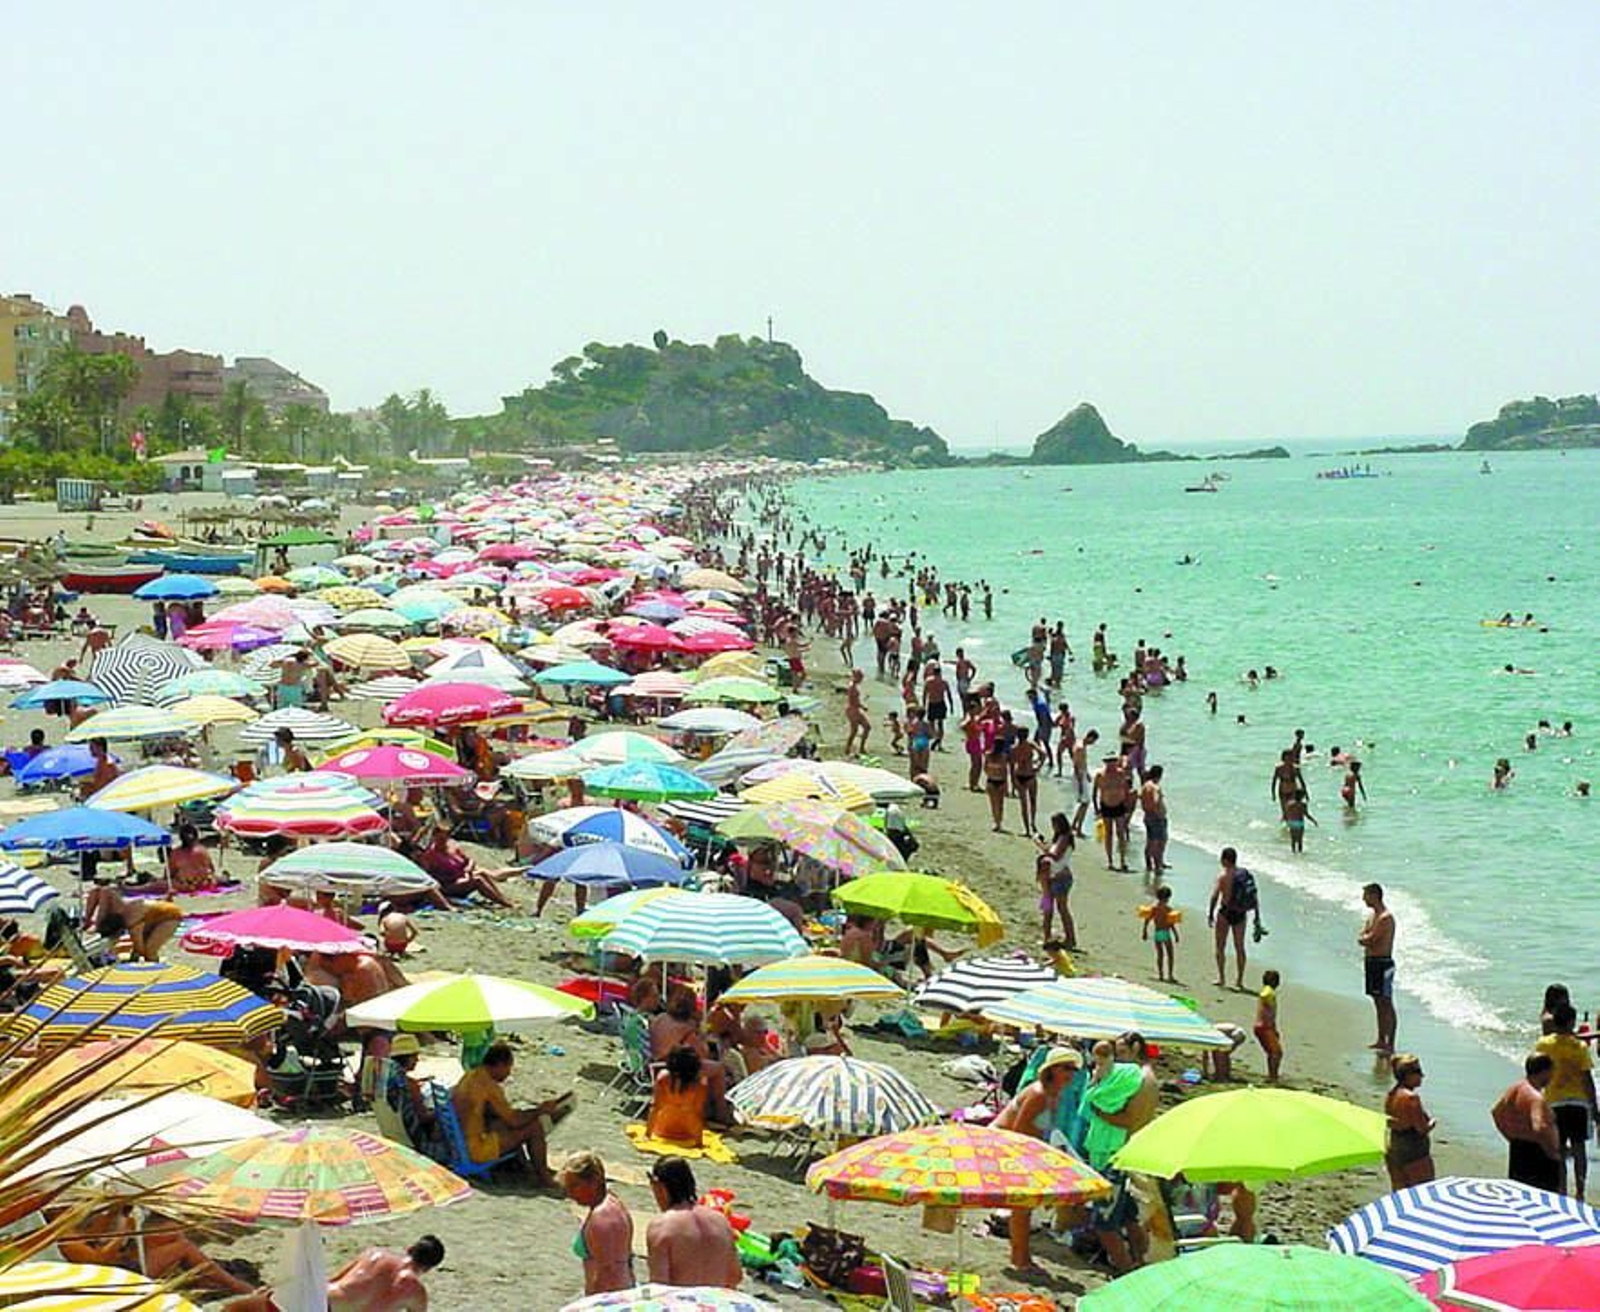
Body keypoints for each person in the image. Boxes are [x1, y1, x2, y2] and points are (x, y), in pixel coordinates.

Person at [994, 1048, 1079, 1273]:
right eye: (1066, 1068)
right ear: (1052, 1069)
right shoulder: (1039, 1094)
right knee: (1023, 1206)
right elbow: (1018, 1131)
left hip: (1023, 1148)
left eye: (1074, 1069)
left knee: (1025, 1206)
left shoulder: (1053, 1093)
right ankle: (1020, 1258)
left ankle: (1021, 1256)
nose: (1071, 1073)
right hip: (1006, 1146)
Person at [225, 1236, 445, 1312]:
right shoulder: (418, 1294)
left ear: (409, 1248)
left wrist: (274, 1290)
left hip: (322, 1304)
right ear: (429, 1267)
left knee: (234, 1310)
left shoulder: (376, 1254)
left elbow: (331, 1281)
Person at [451, 1041, 555, 1184]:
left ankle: (525, 1166)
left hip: (457, 1144)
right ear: (499, 1064)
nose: (509, 1073)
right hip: (475, 1149)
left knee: (501, 1124)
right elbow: (514, 1120)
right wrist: (539, 1111)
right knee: (535, 1127)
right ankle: (544, 1178)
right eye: (508, 1067)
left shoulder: (471, 1075)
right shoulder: (489, 1085)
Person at [645, 1156, 742, 1289]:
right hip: (714, 1304)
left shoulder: (661, 1227)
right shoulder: (721, 1221)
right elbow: (735, 1276)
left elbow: (659, 1286)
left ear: (660, 1187)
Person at [1535, 1001, 1597, 1197]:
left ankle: (1561, 1190)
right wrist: (1594, 1107)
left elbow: (1537, 1071)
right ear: (1571, 1023)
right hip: (1578, 1104)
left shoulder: (1544, 1044)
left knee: (1559, 1150)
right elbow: (1587, 1080)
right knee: (1579, 1149)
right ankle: (1580, 1190)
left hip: (1554, 1102)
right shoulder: (1579, 1047)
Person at [559, 1151, 636, 1296]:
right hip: (624, 1289)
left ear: (594, 1181)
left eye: (575, 1186)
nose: (569, 1193)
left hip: (609, 1296)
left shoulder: (601, 1218)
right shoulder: (614, 1203)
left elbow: (606, 1272)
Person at [1491, 1054, 1561, 1191]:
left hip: (1518, 1149)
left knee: (1519, 1195)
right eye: (1552, 1071)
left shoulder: (1516, 1089)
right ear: (1545, 1071)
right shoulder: (1536, 1098)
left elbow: (1496, 1114)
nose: (1553, 1076)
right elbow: (1539, 1127)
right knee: (1543, 1200)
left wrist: (1510, 1138)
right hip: (1538, 1155)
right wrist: (1552, 1151)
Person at [416, 828, 515, 908]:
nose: (442, 841)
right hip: (448, 885)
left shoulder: (453, 848)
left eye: (445, 838)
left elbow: (470, 861)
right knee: (478, 880)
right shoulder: (430, 855)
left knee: (482, 873)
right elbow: (429, 876)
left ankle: (501, 898)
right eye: (440, 839)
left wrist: (468, 868)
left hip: (462, 878)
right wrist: (453, 877)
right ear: (434, 838)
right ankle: (505, 903)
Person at [1207, 847, 1259, 990]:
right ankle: (1239, 980)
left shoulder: (1223, 877)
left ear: (1224, 860)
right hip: (1240, 914)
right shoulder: (1244, 875)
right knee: (1240, 947)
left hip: (1225, 913)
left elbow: (1215, 896)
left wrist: (1211, 913)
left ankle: (1222, 978)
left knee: (1220, 946)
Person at [383, 1033, 440, 1158]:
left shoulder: (390, 1079)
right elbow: (424, 1117)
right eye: (415, 1056)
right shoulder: (410, 1085)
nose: (417, 1060)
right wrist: (440, 1111)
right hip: (416, 1138)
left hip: (396, 1132)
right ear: (407, 1058)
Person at [1384, 1053, 1436, 1190]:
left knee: (1399, 1193)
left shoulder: (1391, 1094)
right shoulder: (1411, 1098)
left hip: (1395, 1145)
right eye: (1418, 1072)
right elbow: (1421, 1128)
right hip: (1414, 1150)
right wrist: (1432, 1124)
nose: (1422, 1076)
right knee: (1422, 1192)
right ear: (1408, 1075)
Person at [1359, 882, 1397, 1054]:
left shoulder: (1385, 918)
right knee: (1377, 1001)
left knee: (1386, 1002)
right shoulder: (1372, 916)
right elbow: (1363, 936)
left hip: (1383, 962)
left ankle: (1391, 1043)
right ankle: (1381, 1039)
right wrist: (1365, 937)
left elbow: (1370, 939)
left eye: (1366, 895)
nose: (1363, 899)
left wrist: (1366, 937)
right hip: (1372, 961)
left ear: (1374, 895)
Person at [648, 1045, 710, 1148]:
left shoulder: (663, 1077)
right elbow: (698, 1114)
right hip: (687, 1134)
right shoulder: (700, 1083)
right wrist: (699, 1143)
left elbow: (655, 1107)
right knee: (693, 1113)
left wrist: (647, 1135)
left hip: (661, 1130)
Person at [1034, 811, 1076, 948]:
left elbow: (1056, 856)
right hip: (1050, 878)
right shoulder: (1059, 839)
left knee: (1061, 908)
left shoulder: (1065, 837)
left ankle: (1070, 939)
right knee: (1048, 909)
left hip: (1060, 878)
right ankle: (1048, 937)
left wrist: (1040, 845)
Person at [1092, 752, 1133, 871]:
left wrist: (1127, 807)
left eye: (1113, 761)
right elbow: (1095, 793)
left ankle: (1123, 861)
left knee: (1121, 834)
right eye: (1109, 761)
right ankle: (1110, 861)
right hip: (1106, 806)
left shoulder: (1121, 774)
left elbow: (1126, 791)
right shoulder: (1100, 775)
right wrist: (1096, 809)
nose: (1111, 764)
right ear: (1105, 762)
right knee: (1108, 834)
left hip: (1119, 806)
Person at [167, 822, 218, 892]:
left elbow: (169, 873)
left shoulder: (176, 853)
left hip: (185, 885)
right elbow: (212, 869)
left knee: (158, 884)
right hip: (204, 883)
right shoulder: (203, 850)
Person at [1144, 886, 1180, 983]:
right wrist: (1176, 934)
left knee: (1160, 954)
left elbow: (1147, 919)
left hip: (1157, 932)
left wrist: (1145, 930)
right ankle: (1170, 975)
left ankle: (1161, 975)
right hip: (1165, 933)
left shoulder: (1154, 908)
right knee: (1170, 954)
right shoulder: (1168, 909)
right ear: (1167, 898)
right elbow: (1171, 924)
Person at [1139, 764, 1169, 874]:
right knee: (1160, 842)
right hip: (1157, 818)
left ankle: (1149, 864)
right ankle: (1158, 866)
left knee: (1150, 842)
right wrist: (1158, 812)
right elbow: (1156, 800)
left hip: (1148, 816)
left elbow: (1141, 800)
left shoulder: (1145, 785)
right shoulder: (1156, 787)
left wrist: (1148, 810)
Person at [1254, 969, 1283, 1082]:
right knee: (1276, 1052)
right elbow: (1269, 1012)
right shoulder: (1268, 992)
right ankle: (1272, 1077)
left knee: (1273, 1052)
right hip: (1265, 1027)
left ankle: (1272, 1076)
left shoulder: (1267, 991)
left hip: (1264, 1026)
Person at [843, 668, 871, 756]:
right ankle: (853, 748)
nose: (861, 680)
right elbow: (853, 701)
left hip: (854, 709)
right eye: (860, 677)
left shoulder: (853, 686)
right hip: (853, 710)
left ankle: (855, 748)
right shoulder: (852, 687)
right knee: (857, 729)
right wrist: (862, 706)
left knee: (864, 728)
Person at [1283, 788, 1317, 853]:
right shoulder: (1303, 805)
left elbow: (1286, 814)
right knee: (1300, 840)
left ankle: (1293, 853)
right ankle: (1300, 854)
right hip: (1300, 823)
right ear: (1302, 797)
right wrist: (1313, 821)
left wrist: (1285, 819)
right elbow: (1306, 815)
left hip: (1292, 823)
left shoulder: (1290, 804)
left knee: (1293, 840)